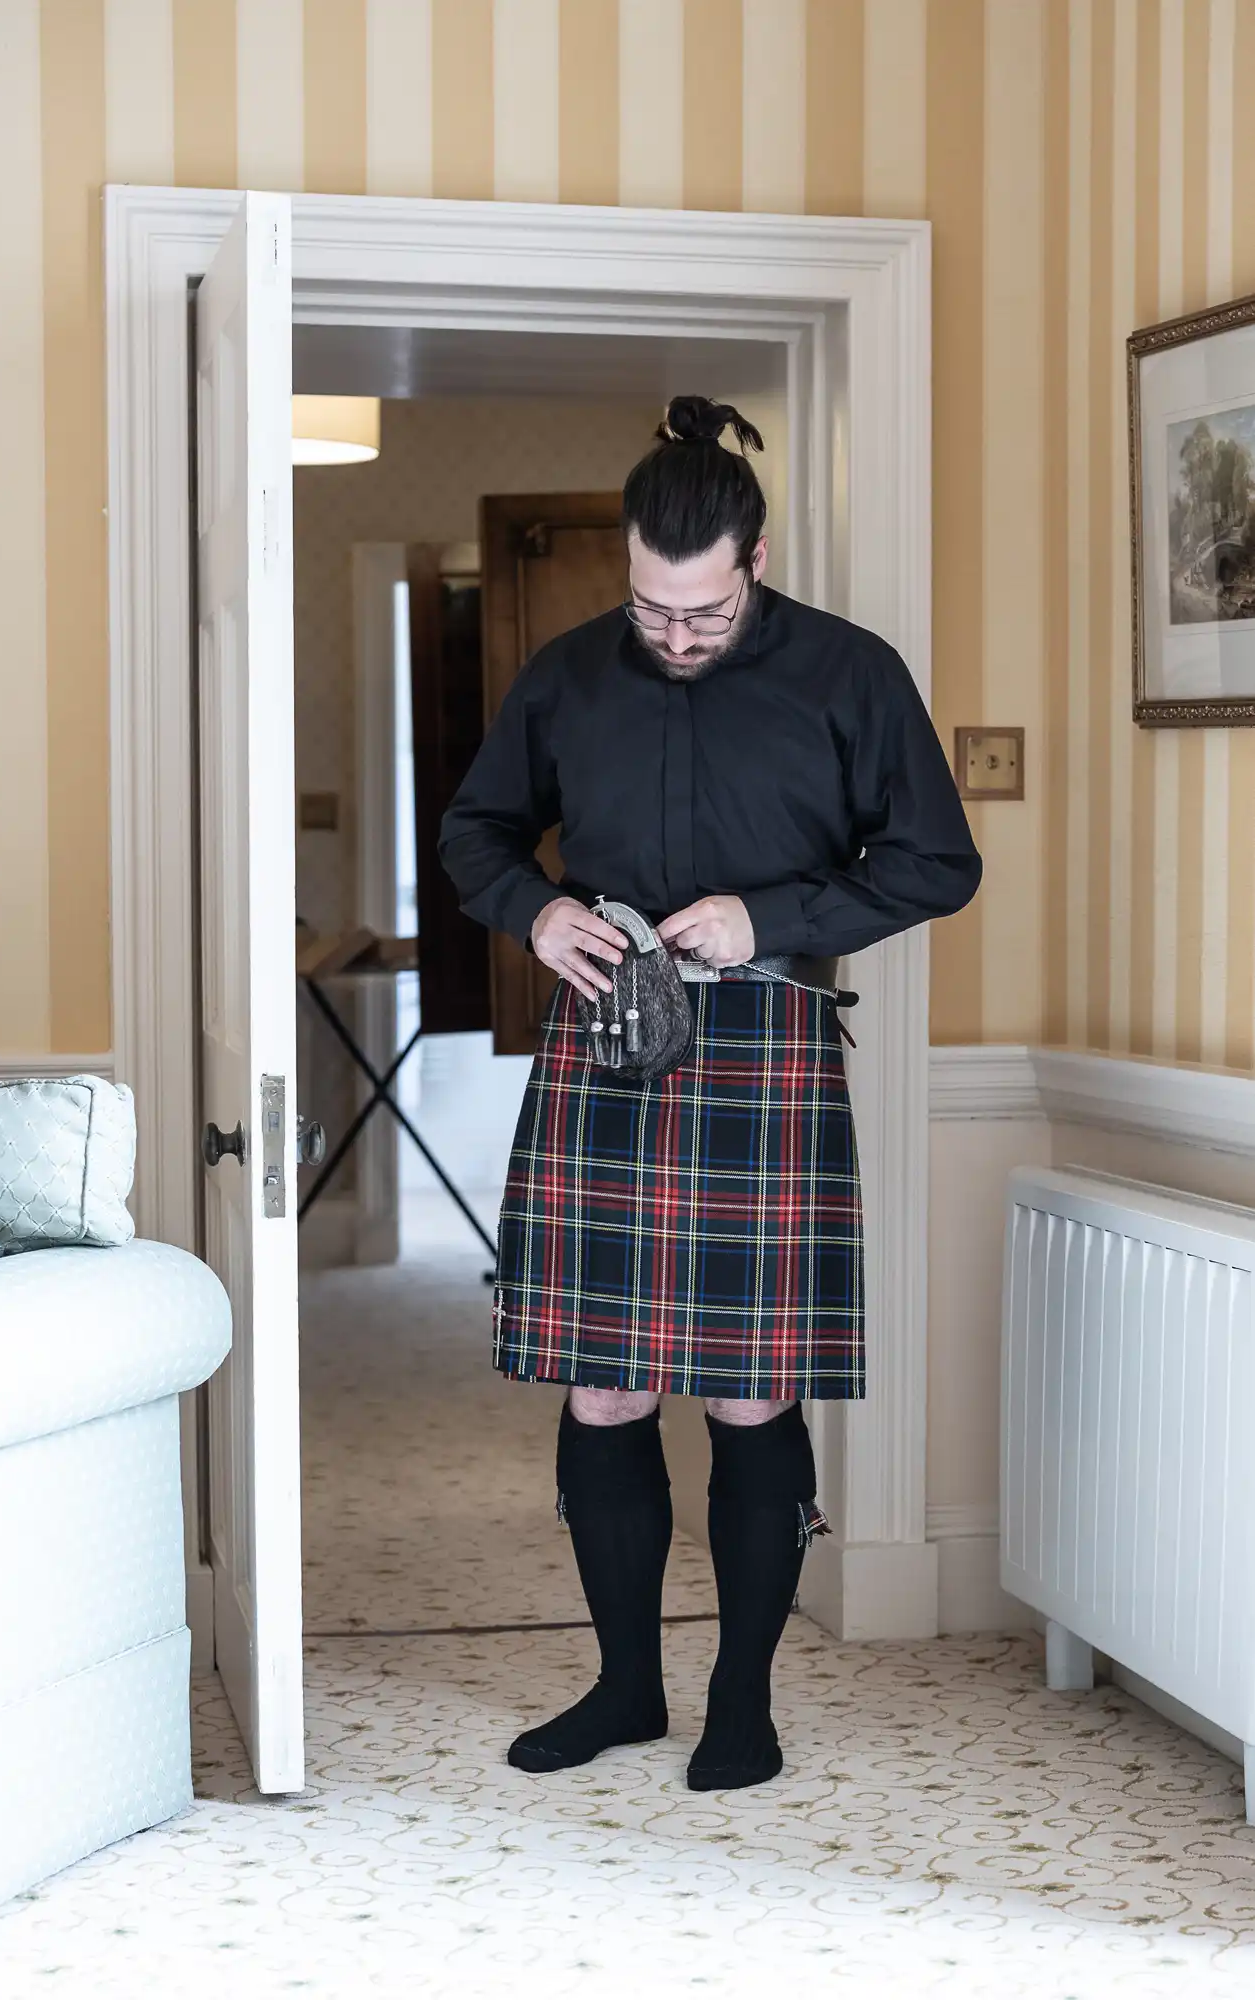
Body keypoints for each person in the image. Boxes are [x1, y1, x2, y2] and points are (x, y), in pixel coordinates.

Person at [437, 396, 982, 1792]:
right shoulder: (568, 674)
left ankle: (744, 1702)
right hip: (603, 1045)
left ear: (753, 560)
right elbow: (479, 829)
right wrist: (536, 917)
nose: (673, 637)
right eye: (652, 609)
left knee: (750, 1395)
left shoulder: (850, 676)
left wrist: (773, 914)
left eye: (702, 614)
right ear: (628, 565)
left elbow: (936, 862)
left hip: (764, 1047)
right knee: (605, 1390)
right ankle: (626, 1687)